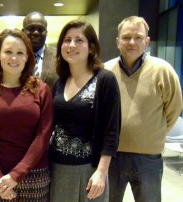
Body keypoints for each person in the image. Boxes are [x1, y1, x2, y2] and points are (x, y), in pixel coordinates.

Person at [105, 16, 183, 202]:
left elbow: (173, 109)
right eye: (126, 37)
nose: (132, 42)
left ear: (147, 41)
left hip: (148, 158)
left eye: (138, 37)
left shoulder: (163, 70)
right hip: (112, 157)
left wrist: (152, 133)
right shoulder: (105, 71)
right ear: (117, 42)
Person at [0, 28, 53, 201]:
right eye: (8, 51)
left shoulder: (41, 90)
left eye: (20, 53)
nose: (14, 58)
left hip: (34, 175)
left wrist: (17, 174)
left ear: (27, 57)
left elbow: (43, 135)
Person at [49, 20, 121, 202]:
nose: (72, 45)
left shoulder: (105, 80)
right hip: (58, 167)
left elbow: (111, 130)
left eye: (79, 40)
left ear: (91, 47)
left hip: (91, 169)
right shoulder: (59, 82)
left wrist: (102, 172)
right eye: (67, 40)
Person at [22, 11, 58, 90]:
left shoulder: (59, 56)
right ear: (23, 31)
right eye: (31, 29)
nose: (36, 32)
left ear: (46, 32)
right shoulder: (14, 58)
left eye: (40, 29)